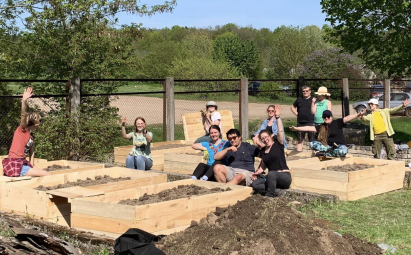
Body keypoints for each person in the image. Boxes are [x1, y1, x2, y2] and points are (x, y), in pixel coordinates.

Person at [2, 87, 51, 177]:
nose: (41, 123)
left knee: (40, 172)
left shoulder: (31, 136)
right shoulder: (23, 130)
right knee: (47, 174)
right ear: (35, 123)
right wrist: (24, 100)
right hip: (14, 163)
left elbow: (31, 153)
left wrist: (31, 167)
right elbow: (23, 114)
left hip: (22, 164)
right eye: (40, 121)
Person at [251, 105, 291, 197]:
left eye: (266, 137)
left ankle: (269, 197)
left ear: (270, 136)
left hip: (284, 176)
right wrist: (257, 173)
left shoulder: (278, 144)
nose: (265, 139)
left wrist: (277, 117)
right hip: (272, 178)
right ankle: (277, 191)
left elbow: (280, 131)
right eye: (262, 139)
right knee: (255, 184)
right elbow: (263, 165)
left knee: (271, 174)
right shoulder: (263, 151)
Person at [289, 109, 365, 157]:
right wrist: (296, 128)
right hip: (329, 147)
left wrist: (358, 114)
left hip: (340, 146)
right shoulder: (321, 126)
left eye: (328, 116)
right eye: (324, 117)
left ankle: (325, 154)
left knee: (343, 151)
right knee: (312, 144)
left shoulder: (337, 122)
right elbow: (308, 128)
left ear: (331, 117)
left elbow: (348, 118)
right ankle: (328, 151)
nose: (326, 118)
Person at [291, 86, 315, 151]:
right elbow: (292, 107)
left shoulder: (313, 99)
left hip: (311, 122)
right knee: (300, 140)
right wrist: (296, 113)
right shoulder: (299, 99)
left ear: (310, 91)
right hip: (301, 122)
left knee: (312, 140)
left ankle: (314, 153)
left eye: (307, 91)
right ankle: (299, 154)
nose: (305, 92)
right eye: (304, 91)